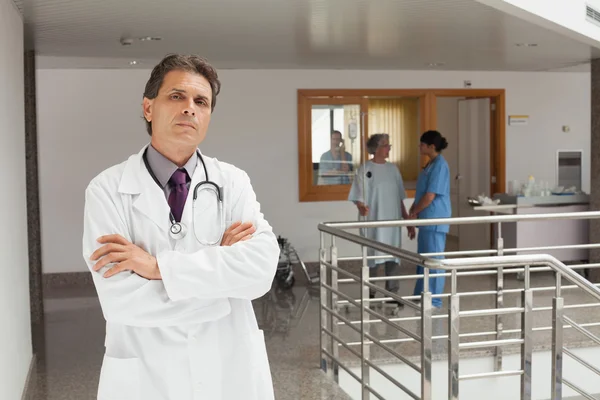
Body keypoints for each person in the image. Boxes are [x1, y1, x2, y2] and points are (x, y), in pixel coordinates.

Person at [82, 54, 280, 400]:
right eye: (177, 96)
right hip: (147, 375)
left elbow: (261, 271)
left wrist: (158, 268)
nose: (190, 108)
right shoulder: (107, 190)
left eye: (201, 101)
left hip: (227, 371)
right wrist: (223, 285)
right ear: (148, 108)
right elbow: (121, 301)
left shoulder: (232, 182)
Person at [348, 133, 414, 306]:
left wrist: (407, 222)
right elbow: (358, 196)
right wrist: (361, 206)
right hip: (374, 221)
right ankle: (369, 292)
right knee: (373, 257)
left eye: (388, 145)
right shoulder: (365, 169)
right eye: (385, 145)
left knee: (393, 257)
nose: (388, 148)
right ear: (376, 148)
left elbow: (400, 198)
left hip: (392, 222)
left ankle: (393, 294)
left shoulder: (393, 169)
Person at [409, 130, 451, 309]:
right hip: (426, 219)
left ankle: (434, 300)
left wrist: (414, 212)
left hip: (434, 219)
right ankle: (421, 295)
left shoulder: (440, 165)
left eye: (422, 144)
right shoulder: (430, 165)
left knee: (434, 260)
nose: (420, 147)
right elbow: (422, 193)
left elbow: (430, 196)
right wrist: (414, 208)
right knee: (423, 260)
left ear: (431, 147)